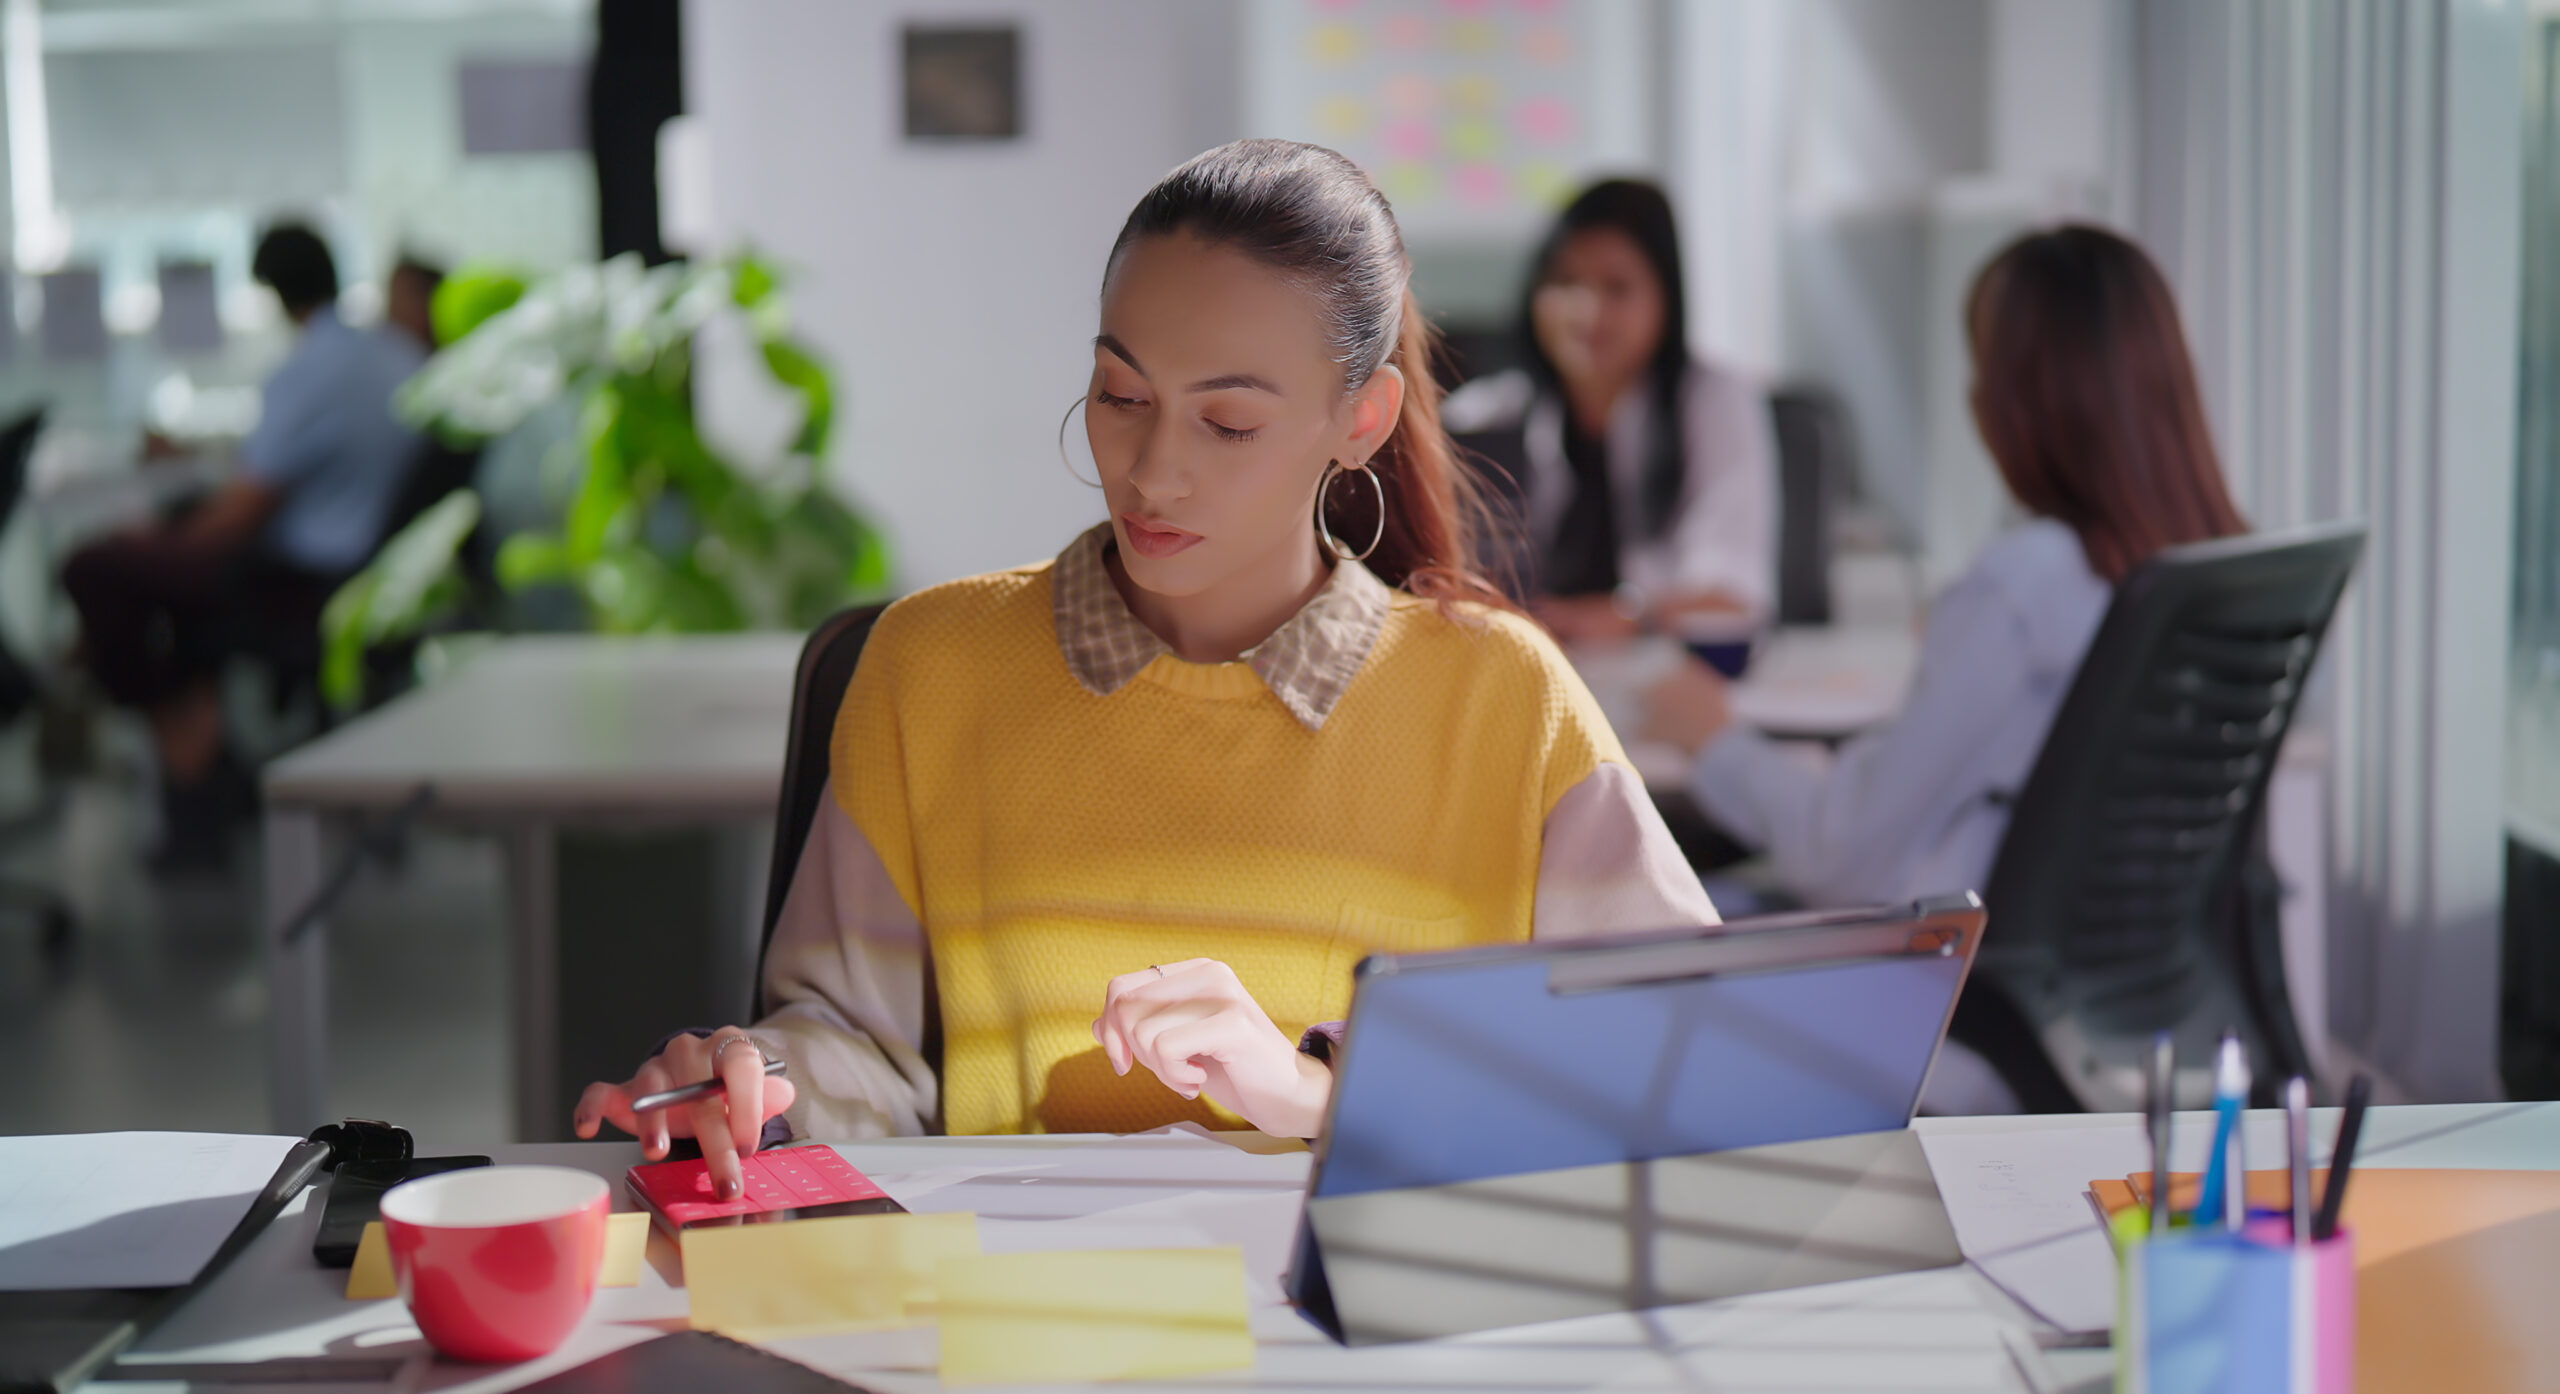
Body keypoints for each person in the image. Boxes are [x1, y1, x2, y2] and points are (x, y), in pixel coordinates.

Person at [574, 139, 1718, 1195]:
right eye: (1121, 396)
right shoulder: (930, 670)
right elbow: (857, 1043)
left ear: (1361, 419)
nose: (1152, 470)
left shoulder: (1504, 700)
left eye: (1225, 422)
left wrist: (1320, 1094)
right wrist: (759, 1084)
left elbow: (1693, 1064)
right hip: (1015, 1332)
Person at [1640, 224, 2245, 1040]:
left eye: (1983, 367)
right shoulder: (2202, 573)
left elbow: (1842, 857)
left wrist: (1713, 739)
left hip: (1956, 1008)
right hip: (2122, 1011)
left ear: (2025, 396)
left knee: (1637, 923)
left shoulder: (2022, 586)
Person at [62, 222, 427, 868]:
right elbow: (288, 466)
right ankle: (188, 726)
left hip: (300, 576)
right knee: (145, 588)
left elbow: (235, 519)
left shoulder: (310, 370)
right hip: (357, 564)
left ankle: (183, 729)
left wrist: (163, 541)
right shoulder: (390, 355)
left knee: (92, 566)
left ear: (271, 292)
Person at [1442, 179, 1777, 645]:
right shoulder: (1487, 414)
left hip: (1661, 676)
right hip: (1521, 666)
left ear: (1665, 298)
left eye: (1617, 288)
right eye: (1565, 283)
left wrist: (1631, 616)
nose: (1587, 311)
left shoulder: (1713, 402)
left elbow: (1735, 594)